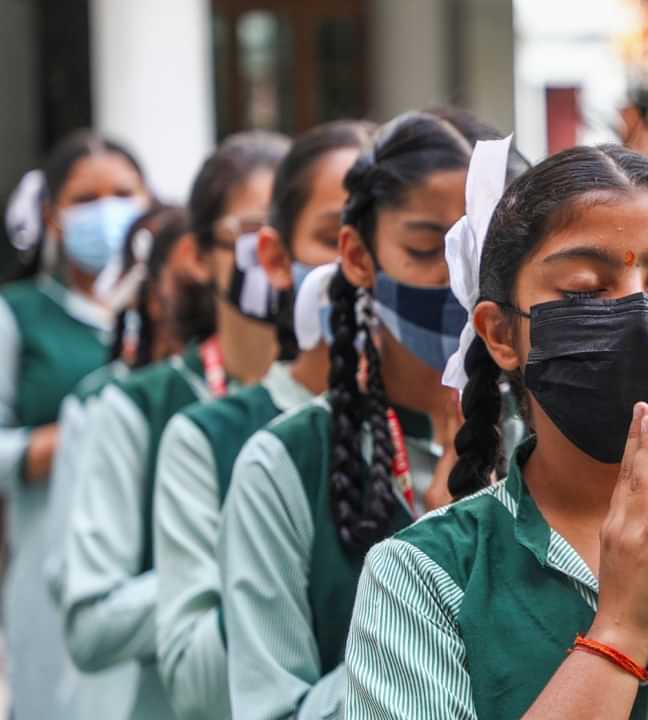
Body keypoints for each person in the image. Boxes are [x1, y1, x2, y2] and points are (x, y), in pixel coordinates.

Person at [341, 138, 648, 719]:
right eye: (583, 291)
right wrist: (621, 632)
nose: (639, 316)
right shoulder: (422, 575)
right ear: (501, 334)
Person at [218, 110, 512, 720]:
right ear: (356, 255)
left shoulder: (542, 433)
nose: (459, 280)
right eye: (428, 249)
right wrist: (421, 580)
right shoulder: (285, 463)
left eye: (481, 251)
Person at [62, 130, 288, 720]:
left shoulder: (352, 402)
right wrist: (240, 555)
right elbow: (90, 629)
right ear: (196, 255)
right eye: (251, 234)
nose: (277, 255)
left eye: (295, 233)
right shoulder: (140, 405)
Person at [152, 120, 371, 720]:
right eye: (336, 238)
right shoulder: (218, 439)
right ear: (274, 257)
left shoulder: (469, 433)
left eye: (403, 241)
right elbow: (197, 688)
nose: (362, 265)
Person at [0, 130, 149, 720]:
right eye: (86, 200)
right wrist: (74, 437)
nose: (107, 212)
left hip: (153, 558)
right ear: (52, 218)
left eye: (122, 193)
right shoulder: (19, 314)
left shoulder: (164, 313)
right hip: (49, 560)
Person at [42, 205, 203, 720]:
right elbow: (69, 578)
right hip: (129, 694)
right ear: (154, 294)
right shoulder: (107, 404)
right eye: (189, 279)